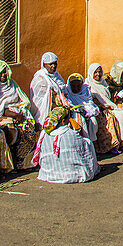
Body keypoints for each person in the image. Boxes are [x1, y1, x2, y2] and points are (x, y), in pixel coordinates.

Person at [29, 52, 98, 183]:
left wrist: (64, 103)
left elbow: (64, 94)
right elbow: (39, 99)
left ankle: (80, 154)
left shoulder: (57, 77)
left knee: (80, 119)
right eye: (50, 65)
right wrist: (55, 99)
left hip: (62, 108)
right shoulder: (40, 79)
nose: (53, 67)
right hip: (47, 110)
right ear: (44, 65)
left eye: (55, 64)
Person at [0, 61, 39, 169]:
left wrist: (21, 112)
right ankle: (17, 164)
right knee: (17, 132)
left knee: (30, 130)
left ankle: (27, 164)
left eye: (5, 72)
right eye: (1, 73)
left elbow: (23, 99)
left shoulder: (12, 84)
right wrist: (14, 115)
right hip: (3, 117)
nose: (4, 75)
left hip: (19, 113)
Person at [85, 63, 123, 154]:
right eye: (95, 72)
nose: (98, 74)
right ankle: (112, 145)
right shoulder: (88, 84)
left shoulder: (103, 83)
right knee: (111, 118)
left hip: (108, 105)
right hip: (98, 109)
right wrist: (103, 106)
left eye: (99, 72)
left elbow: (107, 98)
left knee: (122, 114)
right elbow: (92, 100)